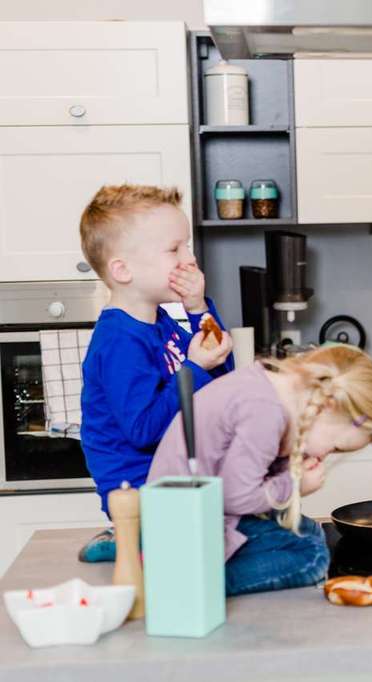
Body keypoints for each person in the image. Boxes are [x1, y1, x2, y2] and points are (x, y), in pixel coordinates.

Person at [149, 345, 372, 596]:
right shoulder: (265, 412)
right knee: (311, 556)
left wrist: (287, 468)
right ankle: (188, 585)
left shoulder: (271, 387)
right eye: (335, 447)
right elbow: (236, 496)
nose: (325, 455)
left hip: (198, 513)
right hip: (184, 526)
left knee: (310, 532)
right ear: (327, 405)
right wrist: (294, 483)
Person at [78, 184, 234, 560]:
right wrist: (194, 367)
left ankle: (133, 545)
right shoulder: (120, 342)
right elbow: (144, 429)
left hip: (180, 485)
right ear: (123, 269)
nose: (189, 259)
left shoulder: (161, 323)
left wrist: (198, 309)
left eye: (187, 246)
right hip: (146, 498)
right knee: (287, 551)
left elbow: (223, 380)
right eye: (174, 249)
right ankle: (127, 542)